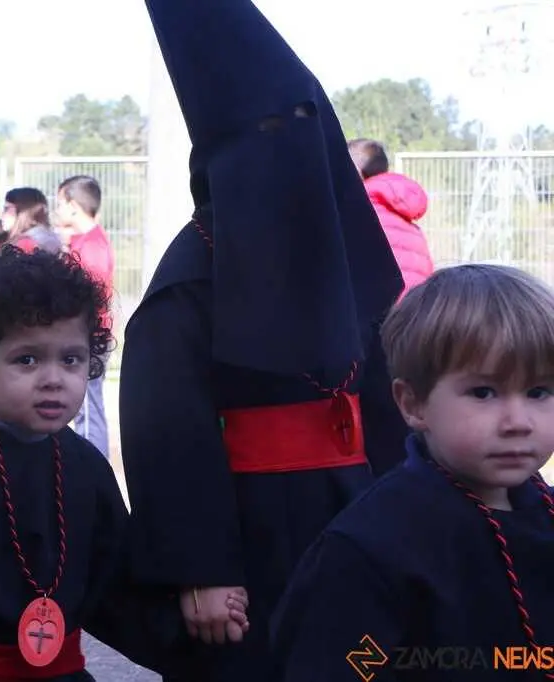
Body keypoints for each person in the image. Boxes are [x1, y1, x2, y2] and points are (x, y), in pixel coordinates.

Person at [119, 1, 411, 680]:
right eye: (273, 131)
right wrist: (202, 568)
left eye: (306, 127)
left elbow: (393, 395)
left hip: (354, 513)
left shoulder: (342, 256)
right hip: (246, 545)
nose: (295, 147)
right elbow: (169, 432)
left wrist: (413, 511)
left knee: (360, 663)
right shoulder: (193, 274)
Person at [0, 247, 250, 681]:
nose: (53, 378)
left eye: (71, 359)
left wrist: (196, 623)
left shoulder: (82, 466)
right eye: (27, 359)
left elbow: (117, 588)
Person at [271, 264, 554, 681]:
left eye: (538, 392)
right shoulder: (372, 549)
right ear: (413, 404)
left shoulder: (544, 514)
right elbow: (347, 665)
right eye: (483, 392)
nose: (518, 421)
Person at [54, 175, 114, 458]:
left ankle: (95, 469)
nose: (57, 211)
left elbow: (91, 296)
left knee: (89, 409)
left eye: (60, 203)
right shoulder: (82, 242)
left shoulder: (91, 247)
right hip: (83, 336)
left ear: (74, 206)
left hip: (91, 337)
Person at [348, 138, 434, 299]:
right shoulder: (405, 218)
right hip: (415, 313)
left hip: (382, 315)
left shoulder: (359, 212)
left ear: (355, 172)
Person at [2, 186, 62, 254]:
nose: (2, 214)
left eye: (7, 208)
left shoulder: (25, 244)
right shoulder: (52, 238)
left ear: (24, 211)